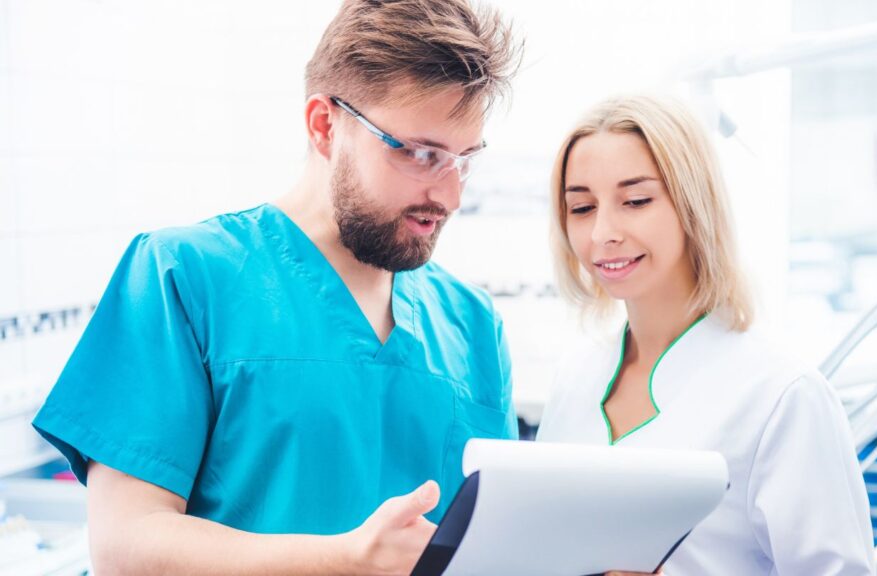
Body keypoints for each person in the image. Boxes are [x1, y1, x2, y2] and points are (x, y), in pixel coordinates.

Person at [32, 1, 523, 574]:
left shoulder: (472, 323)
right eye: (420, 154)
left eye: (464, 161)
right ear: (324, 125)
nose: (450, 196)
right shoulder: (184, 277)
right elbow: (124, 547)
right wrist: (343, 559)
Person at [536, 95, 876, 575]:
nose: (602, 233)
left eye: (635, 201)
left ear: (693, 204)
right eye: (582, 207)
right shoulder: (577, 377)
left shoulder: (782, 394)